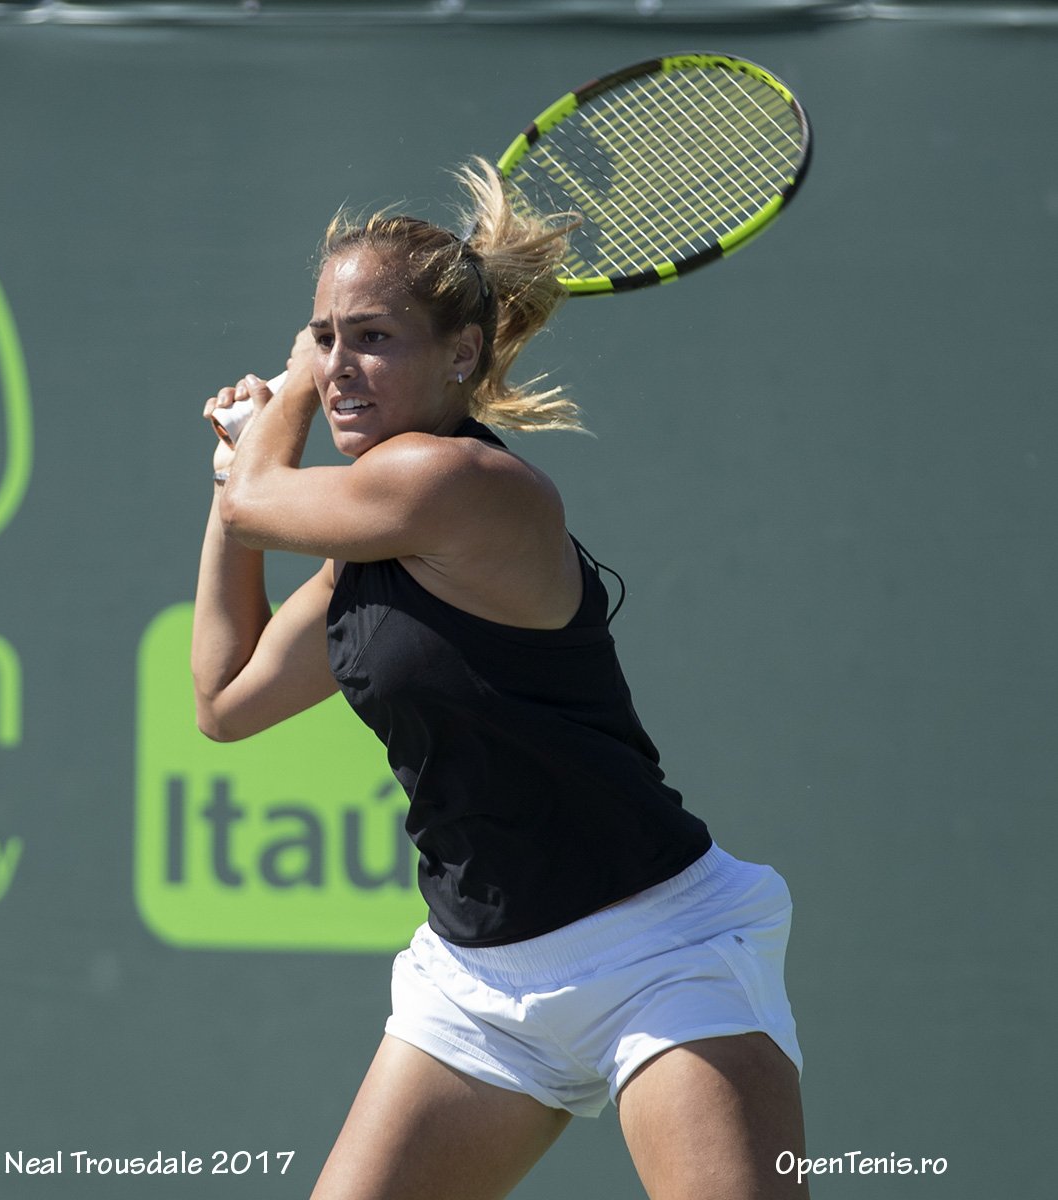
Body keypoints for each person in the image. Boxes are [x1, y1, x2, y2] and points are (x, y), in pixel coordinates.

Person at [192, 158, 809, 1200]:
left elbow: (266, 499)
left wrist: (288, 391)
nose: (342, 366)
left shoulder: (461, 484)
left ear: (462, 353)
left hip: (659, 957)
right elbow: (222, 701)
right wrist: (232, 488)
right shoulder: (363, 544)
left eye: (371, 339)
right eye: (329, 337)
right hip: (475, 986)